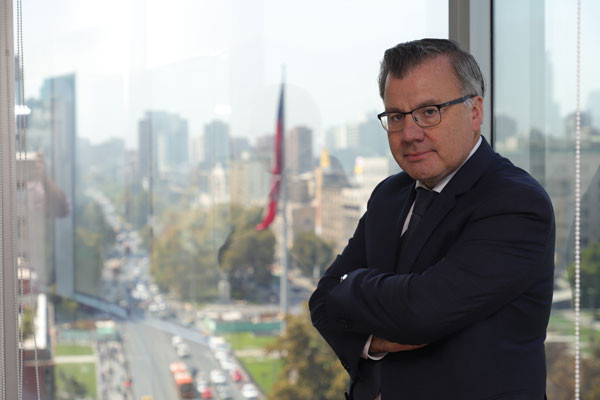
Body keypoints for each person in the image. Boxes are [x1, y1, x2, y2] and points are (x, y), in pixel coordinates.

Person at [309, 38, 555, 400]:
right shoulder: (388, 196)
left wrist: (352, 286)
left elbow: (418, 312)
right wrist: (376, 340)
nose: (410, 133)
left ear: (474, 112)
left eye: (429, 111)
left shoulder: (516, 203)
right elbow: (322, 302)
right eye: (396, 116)